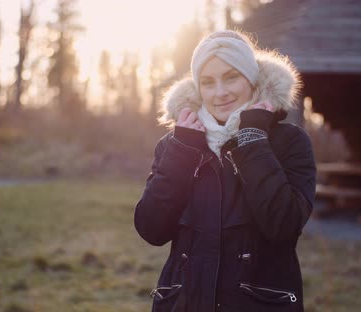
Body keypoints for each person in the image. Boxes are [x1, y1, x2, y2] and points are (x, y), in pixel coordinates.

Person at [134, 29, 316, 312]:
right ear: (197, 88)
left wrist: (253, 138)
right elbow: (151, 230)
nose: (220, 92)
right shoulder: (176, 144)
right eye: (208, 82)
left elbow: (284, 225)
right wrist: (183, 152)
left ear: (251, 78)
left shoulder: (289, 141)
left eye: (231, 77)